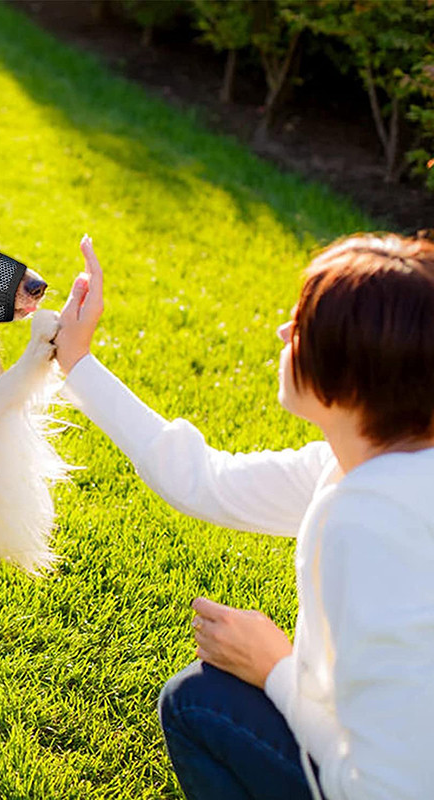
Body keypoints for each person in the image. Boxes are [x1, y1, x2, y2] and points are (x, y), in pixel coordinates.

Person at [54, 233, 434, 800]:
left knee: (199, 705)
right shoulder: (357, 465)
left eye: (302, 326)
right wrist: (78, 362)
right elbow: (204, 479)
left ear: (354, 375)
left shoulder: (370, 524)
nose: (282, 333)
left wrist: (275, 669)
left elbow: (388, 788)